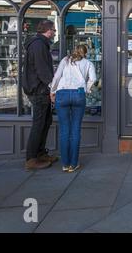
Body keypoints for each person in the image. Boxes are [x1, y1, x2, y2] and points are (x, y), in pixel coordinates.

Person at [50, 45, 96, 173]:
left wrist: (52, 91)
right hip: (78, 94)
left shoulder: (65, 60)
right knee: (75, 130)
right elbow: (93, 79)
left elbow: (57, 77)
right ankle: (73, 164)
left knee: (65, 130)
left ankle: (65, 164)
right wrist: (86, 89)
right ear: (85, 53)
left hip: (62, 94)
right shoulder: (88, 63)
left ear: (74, 51)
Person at [22, 20, 59, 170]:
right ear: (48, 31)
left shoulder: (40, 44)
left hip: (40, 89)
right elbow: (42, 70)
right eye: (54, 30)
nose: (55, 33)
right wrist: (53, 88)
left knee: (46, 121)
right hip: (39, 90)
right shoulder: (39, 45)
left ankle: (41, 153)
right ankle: (31, 158)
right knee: (39, 123)